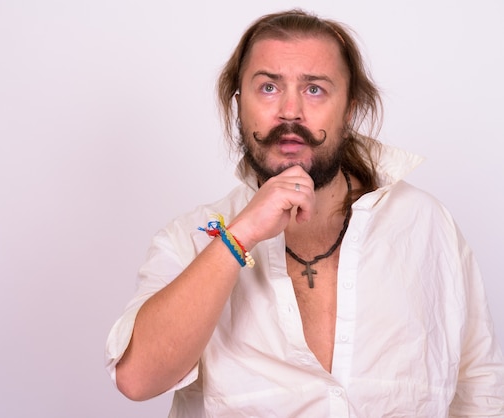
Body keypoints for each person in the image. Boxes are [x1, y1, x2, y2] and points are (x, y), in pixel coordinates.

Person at [105, 8, 504, 417]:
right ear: (239, 106)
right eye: (268, 88)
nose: (290, 112)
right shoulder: (188, 238)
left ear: (349, 109)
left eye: (314, 89)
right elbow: (138, 380)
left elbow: (479, 391)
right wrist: (238, 236)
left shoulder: (425, 225)